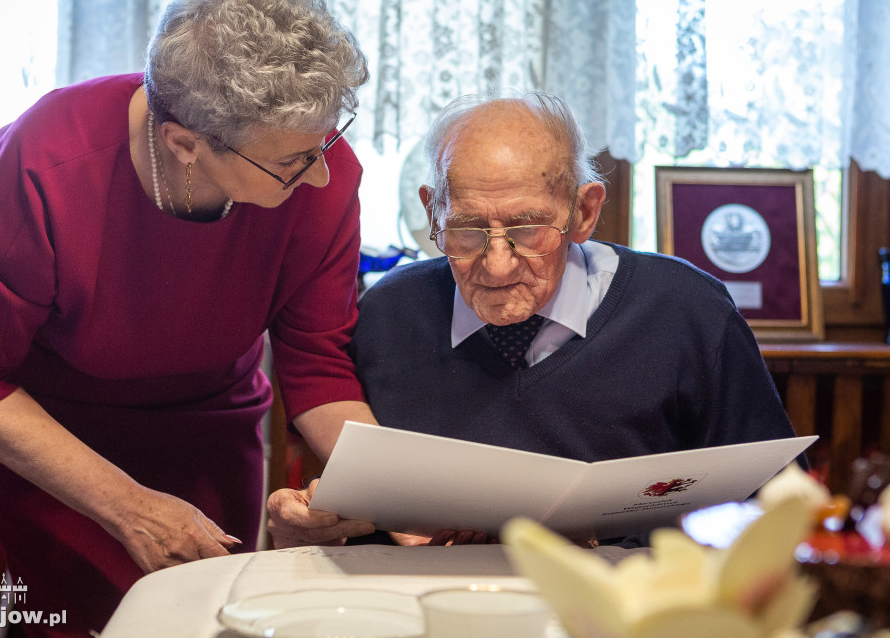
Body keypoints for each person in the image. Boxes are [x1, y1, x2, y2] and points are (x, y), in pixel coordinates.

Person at [0, 0, 377, 636]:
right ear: (184, 143)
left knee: (211, 619)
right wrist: (128, 506)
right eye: (292, 162)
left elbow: (317, 369)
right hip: (59, 447)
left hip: (213, 432)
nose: (321, 175)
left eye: (326, 142)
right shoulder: (46, 164)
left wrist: (390, 490)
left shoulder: (321, 172)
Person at [266, 91, 801, 549]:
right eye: (467, 230)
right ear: (432, 213)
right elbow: (371, 534)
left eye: (527, 229)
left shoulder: (685, 311)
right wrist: (308, 532)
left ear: (584, 212)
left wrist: (597, 544)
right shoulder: (390, 315)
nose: (497, 266)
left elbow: (778, 512)